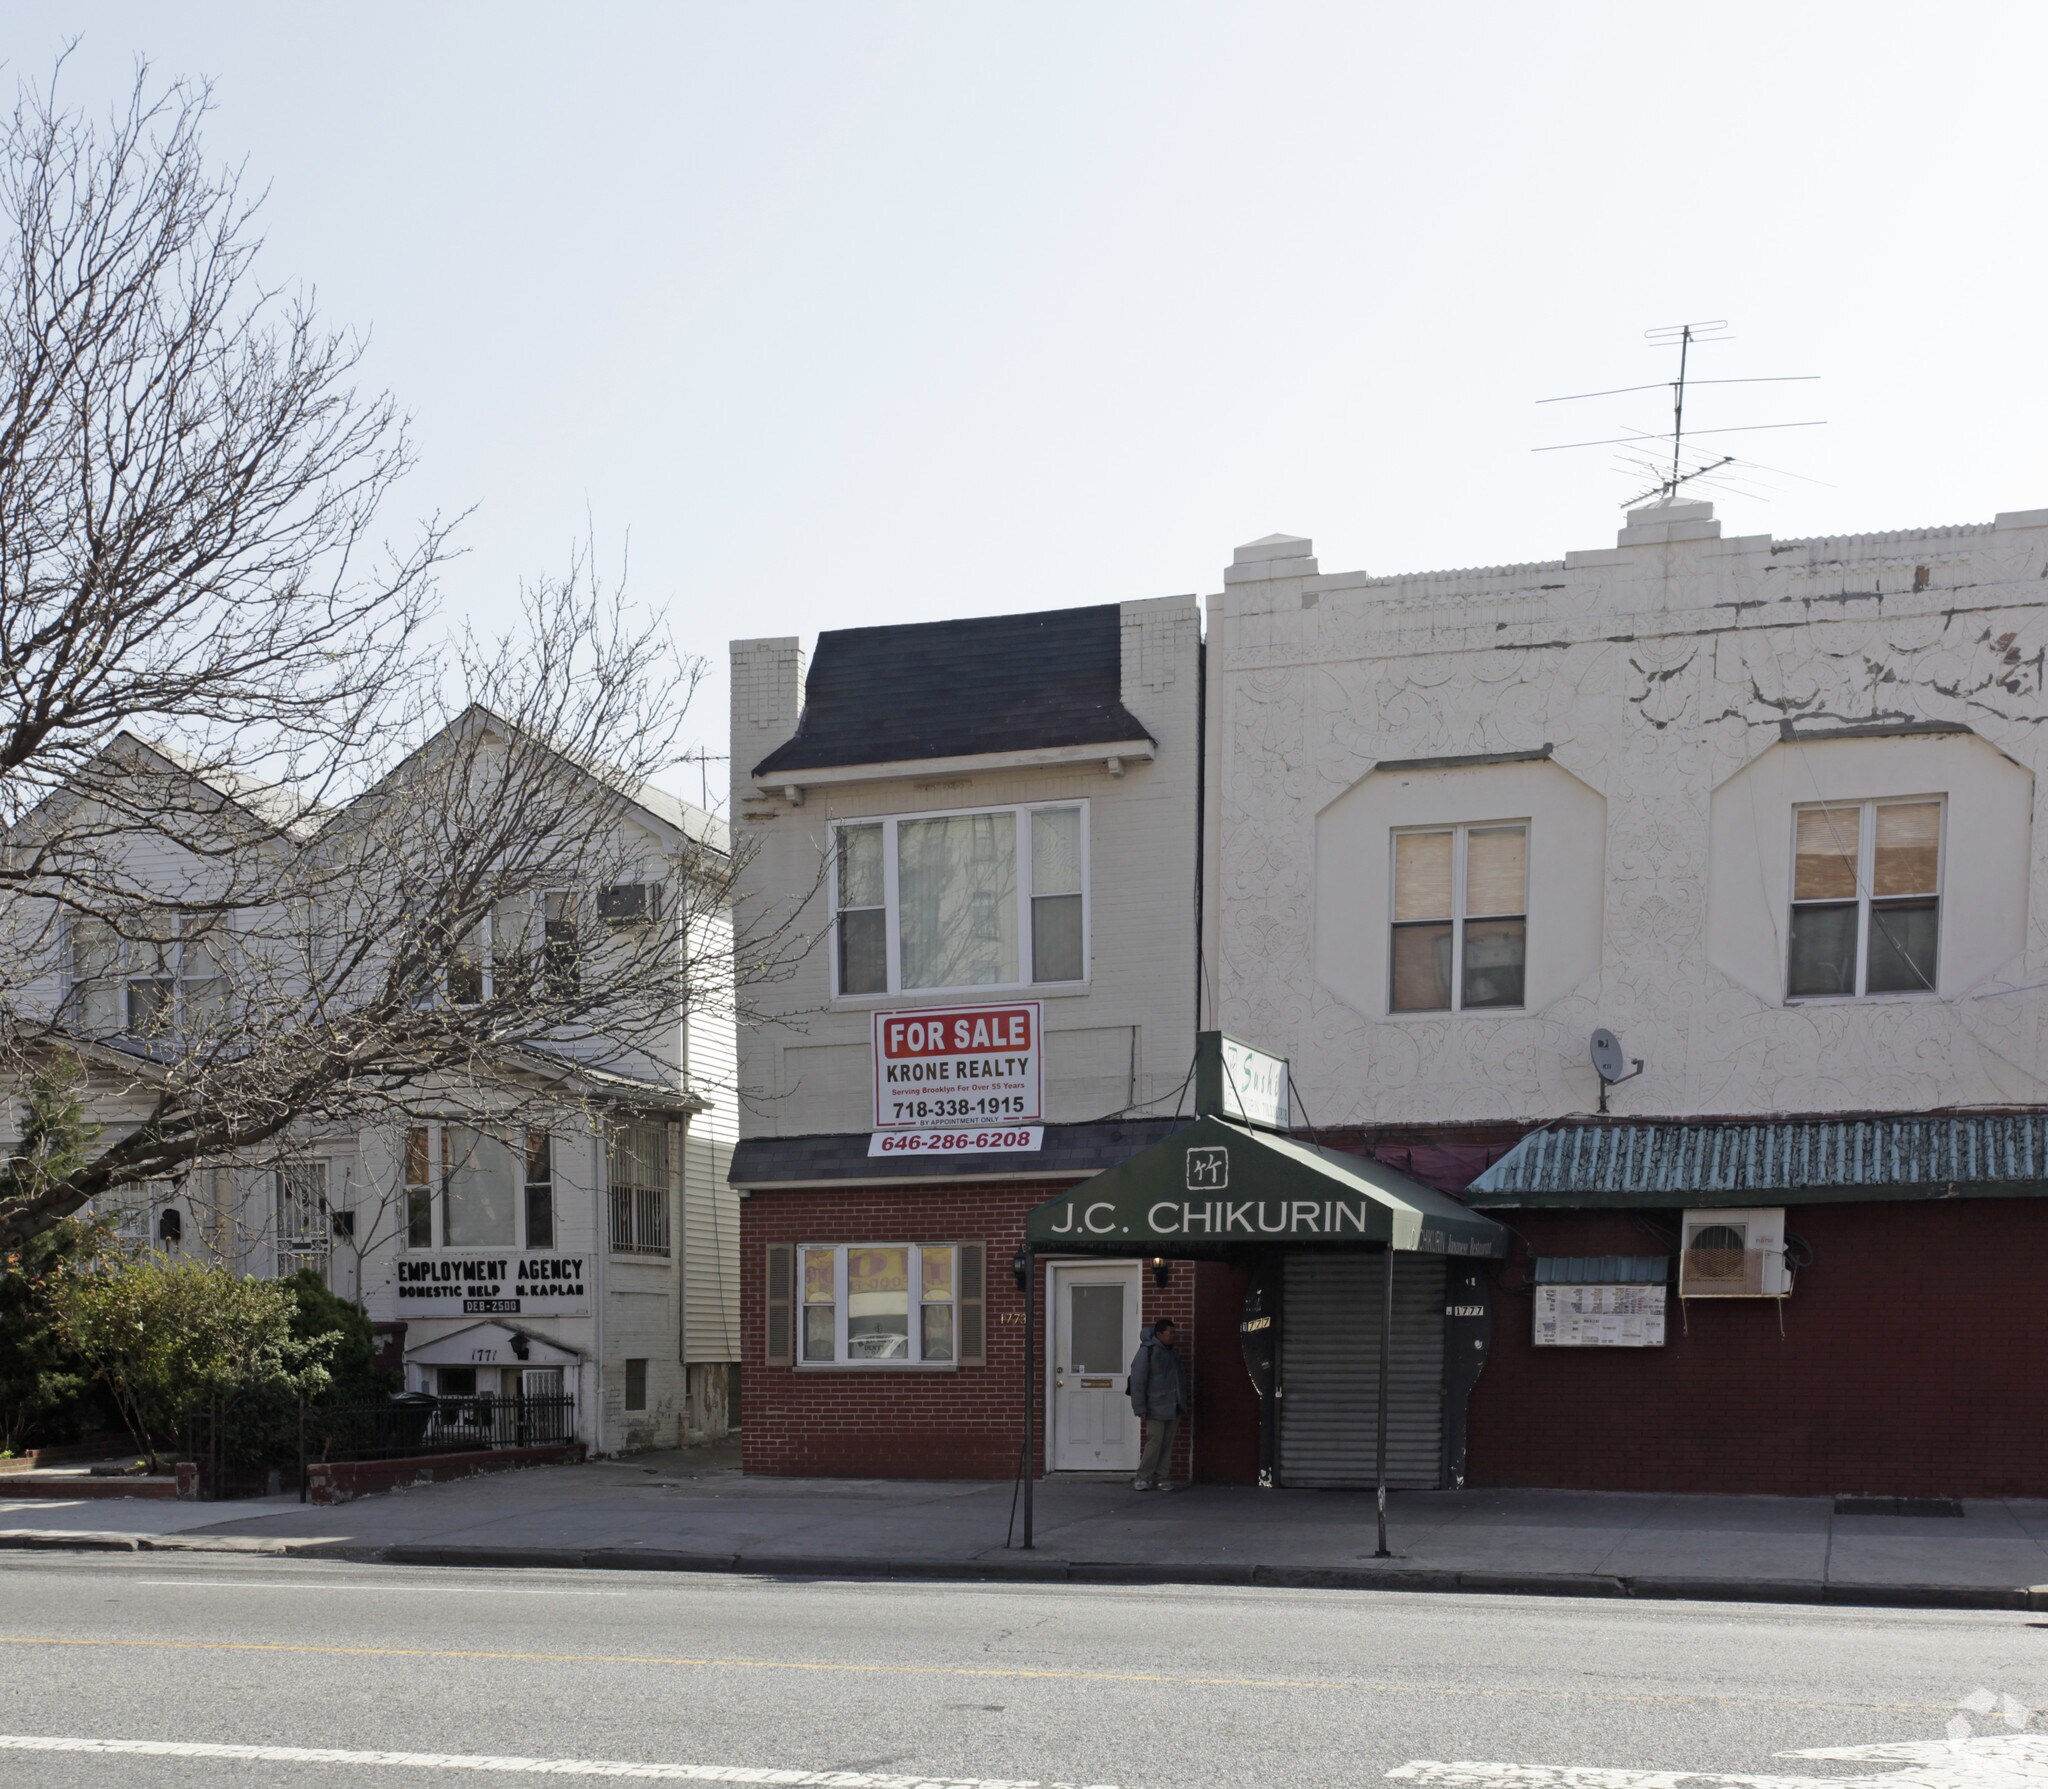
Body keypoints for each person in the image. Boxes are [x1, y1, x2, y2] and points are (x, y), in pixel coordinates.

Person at [1127, 1316, 1188, 1491]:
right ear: (1159, 1334)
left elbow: (1179, 1379)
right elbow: (1138, 1381)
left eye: (1174, 1332)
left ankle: (1163, 1476)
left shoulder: (1172, 1352)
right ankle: (1143, 1476)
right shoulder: (1147, 1351)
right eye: (1171, 1332)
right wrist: (1139, 1407)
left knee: (1167, 1443)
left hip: (1173, 1405)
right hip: (1155, 1406)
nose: (1173, 1336)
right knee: (1155, 1441)